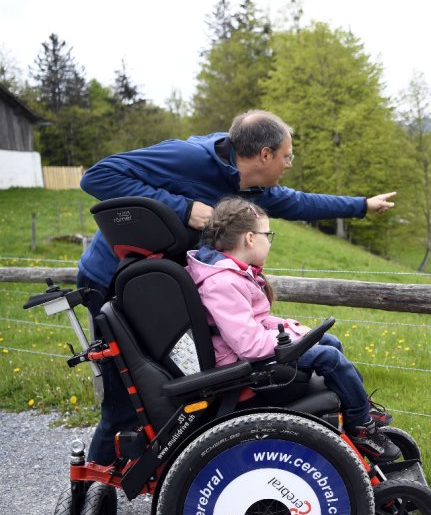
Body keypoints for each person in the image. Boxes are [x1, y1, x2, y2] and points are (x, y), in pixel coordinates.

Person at [76, 109, 396, 472]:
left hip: (163, 288)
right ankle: (92, 491)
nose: (289, 164)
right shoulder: (189, 158)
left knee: (168, 387)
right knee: (126, 399)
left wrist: (362, 206)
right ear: (265, 155)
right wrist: (183, 208)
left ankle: (171, 468)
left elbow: (299, 202)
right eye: (287, 156)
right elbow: (98, 177)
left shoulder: (250, 188)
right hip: (113, 283)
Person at [186, 198, 400, 463]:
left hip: (248, 355)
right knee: (329, 358)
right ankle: (361, 427)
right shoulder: (222, 283)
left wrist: (295, 330)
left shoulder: (233, 275)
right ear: (250, 238)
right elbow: (248, 345)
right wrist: (290, 339)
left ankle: (358, 407)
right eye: (268, 234)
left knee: (328, 341)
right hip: (242, 367)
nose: (269, 241)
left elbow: (256, 321)